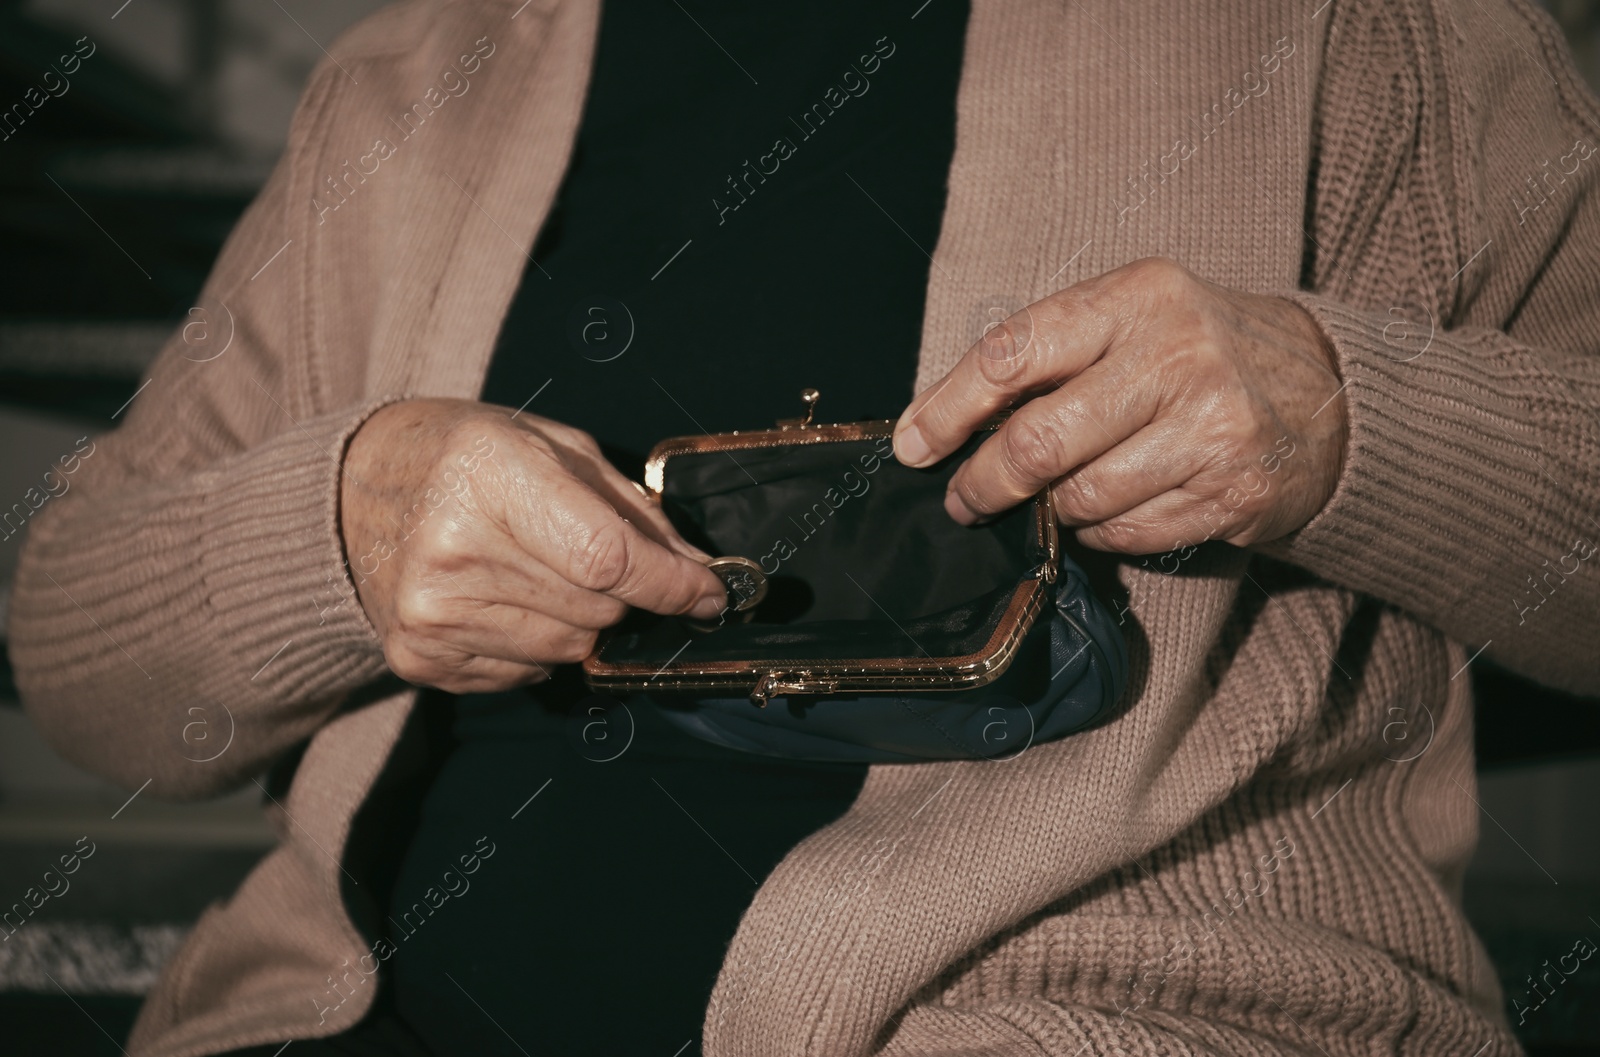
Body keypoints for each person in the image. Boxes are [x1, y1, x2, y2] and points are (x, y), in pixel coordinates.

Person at [10, 0, 1600, 1054]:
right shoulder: (407, 78)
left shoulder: (1366, 37)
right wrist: (337, 533)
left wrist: (1353, 416)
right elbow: (80, 647)